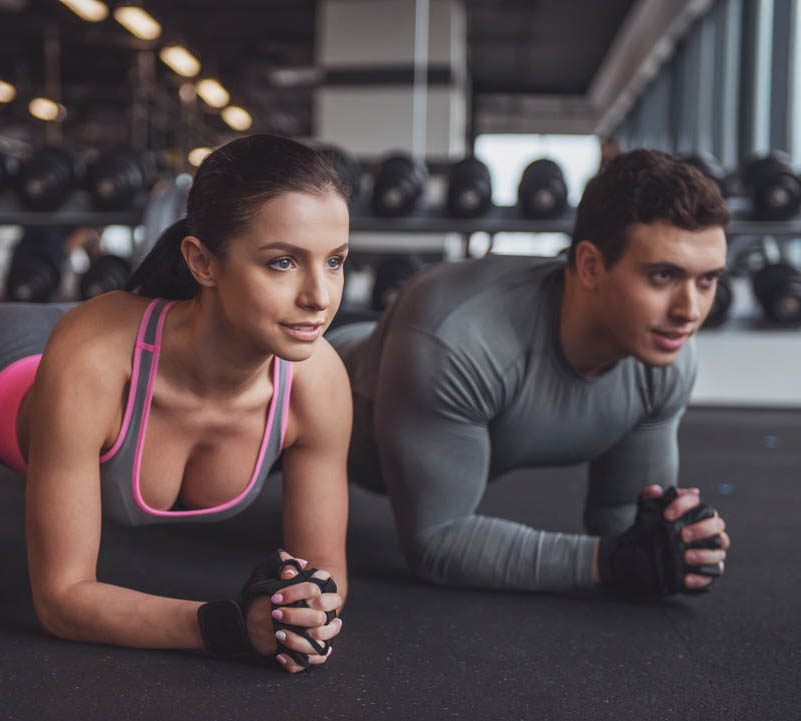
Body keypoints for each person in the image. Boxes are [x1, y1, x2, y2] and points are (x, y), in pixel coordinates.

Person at [0, 135, 352, 672]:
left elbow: (326, 575)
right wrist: (229, 626)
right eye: (283, 262)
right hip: (19, 358)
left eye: (335, 261)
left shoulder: (318, 379)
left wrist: (300, 610)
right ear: (202, 262)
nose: (320, 297)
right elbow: (61, 599)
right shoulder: (93, 362)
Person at [329, 149, 731, 597]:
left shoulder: (665, 359)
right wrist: (610, 563)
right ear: (591, 266)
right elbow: (436, 542)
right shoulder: (458, 336)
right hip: (295, 390)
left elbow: (621, 518)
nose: (689, 310)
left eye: (707, 280)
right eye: (663, 276)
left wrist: (677, 541)